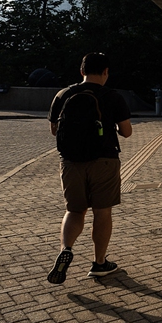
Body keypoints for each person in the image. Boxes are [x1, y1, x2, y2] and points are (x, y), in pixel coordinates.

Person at [45, 52, 132, 284]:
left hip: (71, 162)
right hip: (104, 160)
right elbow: (126, 131)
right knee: (102, 212)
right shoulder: (112, 96)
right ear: (106, 72)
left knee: (75, 211)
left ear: (81, 71)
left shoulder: (63, 94)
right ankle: (100, 263)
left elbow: (54, 130)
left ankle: (66, 249)